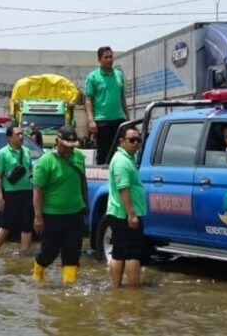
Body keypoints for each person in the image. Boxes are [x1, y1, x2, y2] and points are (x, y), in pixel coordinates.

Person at [32, 126, 88, 283]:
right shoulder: (45, 162)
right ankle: (37, 274)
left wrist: (86, 203)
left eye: (72, 147)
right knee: (50, 251)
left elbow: (82, 180)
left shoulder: (78, 157)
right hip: (52, 215)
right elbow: (37, 190)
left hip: (75, 213)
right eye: (65, 146)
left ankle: (68, 287)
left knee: (72, 252)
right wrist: (38, 217)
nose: (69, 150)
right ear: (57, 142)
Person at [106, 126, 146, 288]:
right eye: (132, 140)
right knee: (132, 254)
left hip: (120, 213)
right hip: (124, 215)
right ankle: (133, 291)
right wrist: (131, 214)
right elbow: (123, 189)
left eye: (138, 140)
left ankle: (117, 289)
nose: (136, 143)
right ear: (121, 141)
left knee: (119, 252)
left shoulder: (126, 159)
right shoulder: (122, 161)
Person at [0, 126, 34, 252]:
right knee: (6, 225)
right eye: (18, 134)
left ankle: (24, 253)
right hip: (10, 194)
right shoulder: (2, 153)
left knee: (27, 226)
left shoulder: (26, 151)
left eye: (22, 134)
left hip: (27, 192)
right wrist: (0, 197)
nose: (21, 136)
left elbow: (31, 171)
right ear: (10, 137)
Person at [85, 46, 128, 165]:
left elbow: (122, 97)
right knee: (104, 154)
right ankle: (103, 180)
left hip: (119, 119)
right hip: (102, 120)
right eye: (106, 57)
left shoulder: (119, 75)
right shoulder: (93, 77)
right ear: (99, 60)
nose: (109, 59)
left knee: (120, 153)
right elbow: (88, 100)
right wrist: (90, 120)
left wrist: (127, 117)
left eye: (111, 57)